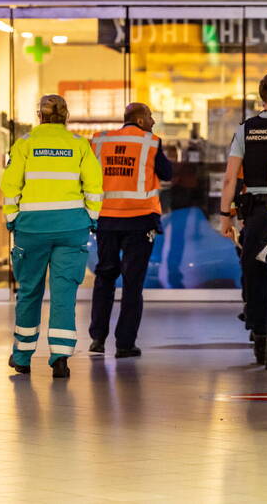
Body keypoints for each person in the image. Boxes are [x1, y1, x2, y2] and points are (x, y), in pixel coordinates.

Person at [2, 95, 103, 379]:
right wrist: (91, 219)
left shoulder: (25, 145)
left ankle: (22, 356)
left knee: (29, 292)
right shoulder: (79, 145)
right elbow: (94, 186)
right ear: (66, 116)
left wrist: (12, 218)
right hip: (71, 229)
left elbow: (10, 185)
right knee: (64, 295)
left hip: (31, 229)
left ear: (40, 116)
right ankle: (60, 357)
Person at [219, 72, 267, 369]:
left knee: (254, 274)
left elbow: (230, 178)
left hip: (252, 212)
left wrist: (225, 215)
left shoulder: (246, 129)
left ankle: (260, 337)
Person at [88, 102, 173, 358]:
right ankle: (125, 344)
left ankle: (97, 339)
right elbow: (167, 173)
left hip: (106, 219)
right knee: (133, 283)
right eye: (149, 117)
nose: (153, 121)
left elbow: (88, 175)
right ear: (138, 120)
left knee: (104, 276)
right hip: (139, 221)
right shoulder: (150, 142)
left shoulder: (100, 142)